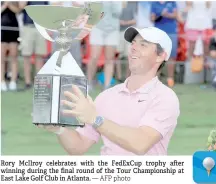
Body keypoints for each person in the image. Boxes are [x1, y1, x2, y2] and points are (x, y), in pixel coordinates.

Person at [38, 26, 180, 156]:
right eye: (133, 43)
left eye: (143, 45)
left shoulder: (165, 97)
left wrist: (95, 119)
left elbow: (140, 143)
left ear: (161, 56)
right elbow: (78, 147)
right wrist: (59, 128)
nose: (134, 48)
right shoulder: (107, 96)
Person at [87, 2, 122, 90]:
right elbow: (90, 9)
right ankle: (89, 83)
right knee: (94, 57)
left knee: (109, 59)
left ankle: (107, 86)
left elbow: (118, 12)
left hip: (112, 30)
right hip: (97, 28)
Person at [19, 1, 48, 90]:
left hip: (40, 27)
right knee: (26, 55)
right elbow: (20, 7)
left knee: (39, 55)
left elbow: (47, 10)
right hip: (28, 27)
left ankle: (39, 82)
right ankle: (27, 82)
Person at [151, 1, 178, 88]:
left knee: (171, 56)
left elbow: (175, 15)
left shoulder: (172, 2)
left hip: (171, 33)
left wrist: (166, 15)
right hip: (158, 33)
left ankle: (170, 79)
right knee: (157, 56)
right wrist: (161, 14)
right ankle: (155, 80)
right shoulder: (154, 3)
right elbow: (152, 18)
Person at [1, 2, 20, 91]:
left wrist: (9, 3)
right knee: (1, 58)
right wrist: (5, 4)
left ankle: (13, 81)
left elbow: (17, 10)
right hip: (2, 29)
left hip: (13, 29)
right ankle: (2, 81)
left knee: (14, 57)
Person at [117, 1, 137, 80]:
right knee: (117, 56)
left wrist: (125, 23)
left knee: (130, 56)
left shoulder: (133, 4)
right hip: (118, 33)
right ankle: (119, 77)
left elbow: (136, 20)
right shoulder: (116, 4)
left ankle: (127, 77)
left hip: (129, 33)